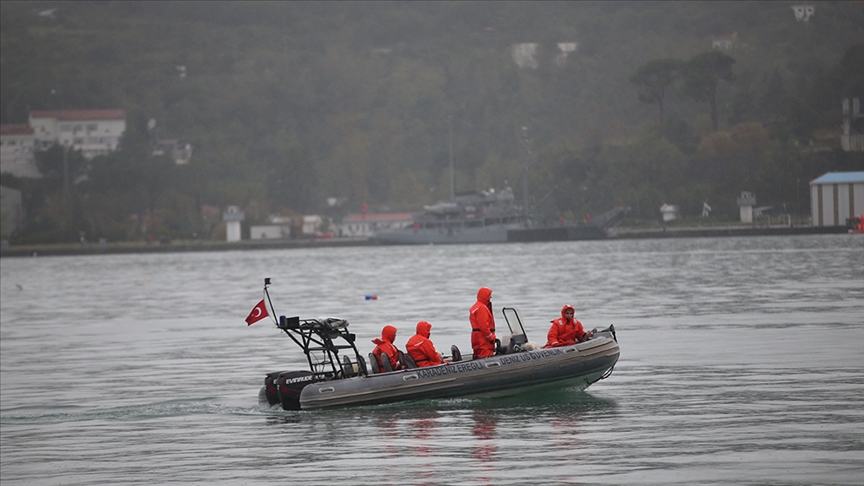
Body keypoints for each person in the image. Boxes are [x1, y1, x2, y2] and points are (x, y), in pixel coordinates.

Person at [470, 287, 497, 359]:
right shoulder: (482, 308)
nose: (490, 297)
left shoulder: (476, 307)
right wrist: (491, 337)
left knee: (478, 353)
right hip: (483, 339)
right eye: (489, 296)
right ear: (485, 296)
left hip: (476, 337)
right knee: (485, 355)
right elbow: (484, 327)